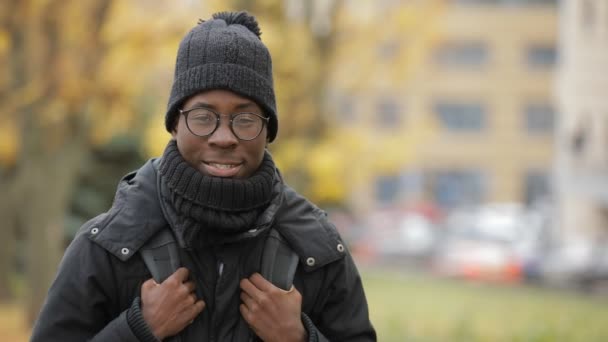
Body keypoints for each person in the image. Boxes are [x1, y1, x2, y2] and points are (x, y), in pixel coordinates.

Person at [31, 10, 376, 342]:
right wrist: (137, 330)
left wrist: (299, 338)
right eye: (203, 116)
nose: (223, 137)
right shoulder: (107, 246)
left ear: (267, 130)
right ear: (175, 124)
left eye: (245, 119)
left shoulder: (318, 250)